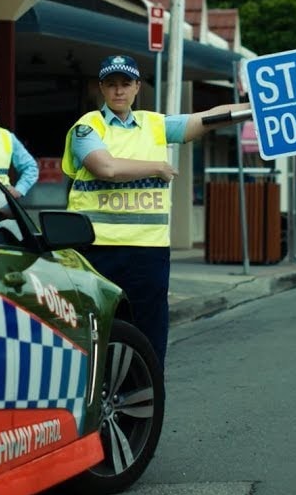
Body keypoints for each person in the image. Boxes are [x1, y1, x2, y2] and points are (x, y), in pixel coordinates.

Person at [62, 54, 249, 372]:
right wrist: (156, 167)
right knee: (97, 335)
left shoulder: (155, 124)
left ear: (137, 87)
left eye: (125, 84)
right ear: (101, 89)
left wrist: (248, 109)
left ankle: (144, 406)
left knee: (149, 339)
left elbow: (206, 118)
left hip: (148, 253)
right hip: (95, 252)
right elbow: (105, 167)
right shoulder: (87, 127)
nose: (119, 91)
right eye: (111, 85)